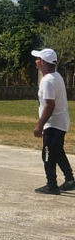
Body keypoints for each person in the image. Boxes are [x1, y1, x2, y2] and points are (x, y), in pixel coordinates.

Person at [31, 48, 75, 195]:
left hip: (53, 123)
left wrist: (40, 125)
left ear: (43, 62)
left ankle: (51, 185)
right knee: (57, 151)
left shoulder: (48, 81)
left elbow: (50, 105)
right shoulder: (57, 76)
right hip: (60, 122)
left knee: (48, 153)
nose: (36, 61)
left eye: (38, 59)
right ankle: (69, 179)